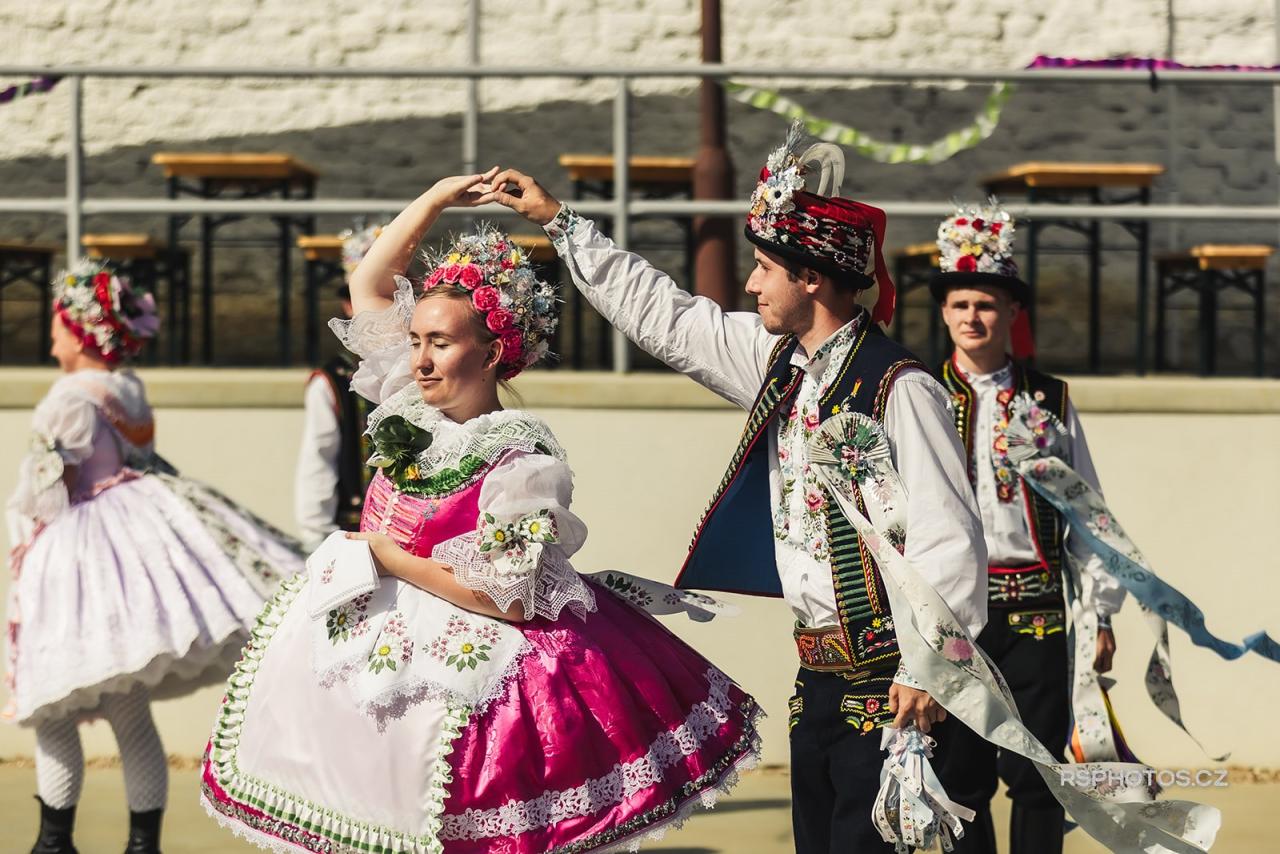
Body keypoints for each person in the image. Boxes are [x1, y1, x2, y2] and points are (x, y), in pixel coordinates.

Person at [199, 173, 763, 854]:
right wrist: (435, 199)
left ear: (492, 353)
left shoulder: (521, 461)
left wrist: (386, 555)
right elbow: (370, 282)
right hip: (371, 639)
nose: (420, 358)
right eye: (415, 340)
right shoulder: (408, 397)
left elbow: (508, 598)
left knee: (443, 821)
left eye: (440, 342)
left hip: (463, 664)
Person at [485, 126, 988, 853]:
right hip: (818, 677)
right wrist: (560, 223)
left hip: (894, 683)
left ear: (810, 277)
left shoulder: (899, 387)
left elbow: (950, 536)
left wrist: (927, 671)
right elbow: (668, 317)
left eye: (763, 268)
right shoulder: (779, 363)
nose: (751, 285)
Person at [5, 262, 305, 854]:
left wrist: (27, 526)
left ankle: (53, 843)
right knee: (128, 706)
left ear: (81, 333)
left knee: (53, 709)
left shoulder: (68, 396)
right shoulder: (127, 389)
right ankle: (143, 845)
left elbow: (54, 489)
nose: (51, 339)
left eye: (59, 327)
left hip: (80, 556)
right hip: (127, 547)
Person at [923, 201, 1125, 854]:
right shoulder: (919, 394)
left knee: (1039, 777)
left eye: (986, 304)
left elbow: (1087, 514)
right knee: (960, 774)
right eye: (960, 304)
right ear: (944, 312)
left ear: (1012, 311)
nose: (972, 317)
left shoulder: (1049, 399)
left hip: (1035, 609)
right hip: (955, 614)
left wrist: (1099, 614)